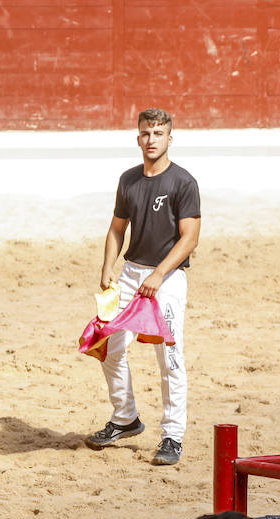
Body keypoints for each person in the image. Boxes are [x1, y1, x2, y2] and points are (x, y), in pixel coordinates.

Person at [86, 108, 201, 466]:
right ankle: (125, 418)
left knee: (169, 357)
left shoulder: (183, 182)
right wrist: (108, 266)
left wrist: (159, 275)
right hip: (131, 275)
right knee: (108, 345)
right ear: (138, 138)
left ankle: (172, 436)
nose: (151, 140)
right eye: (146, 134)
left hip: (166, 279)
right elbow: (117, 227)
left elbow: (190, 238)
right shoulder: (129, 180)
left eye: (158, 133)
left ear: (170, 138)